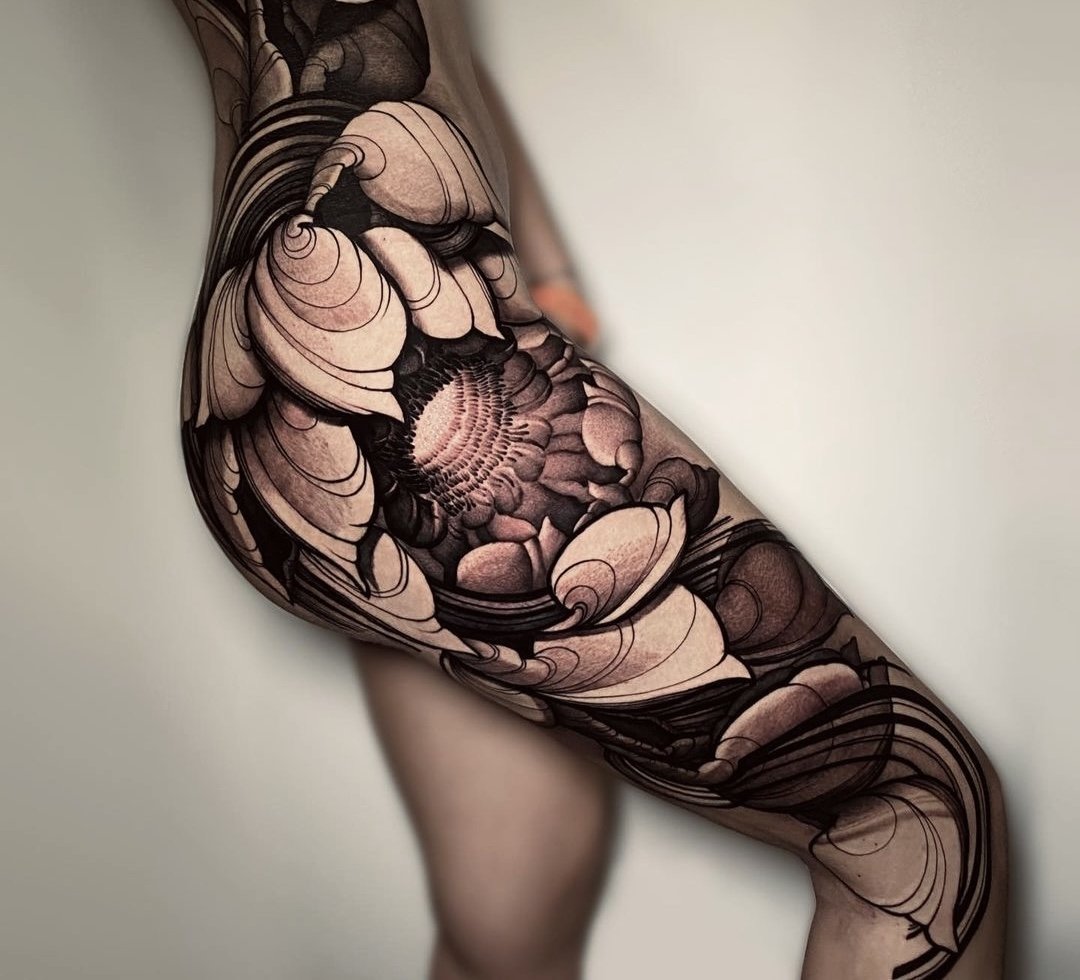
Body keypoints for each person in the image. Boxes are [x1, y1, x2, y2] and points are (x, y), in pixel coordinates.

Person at [172, 2, 1007, 978]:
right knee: (915, 826)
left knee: (512, 911)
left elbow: (412, 52)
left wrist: (538, 263)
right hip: (374, 350)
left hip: (284, 373)